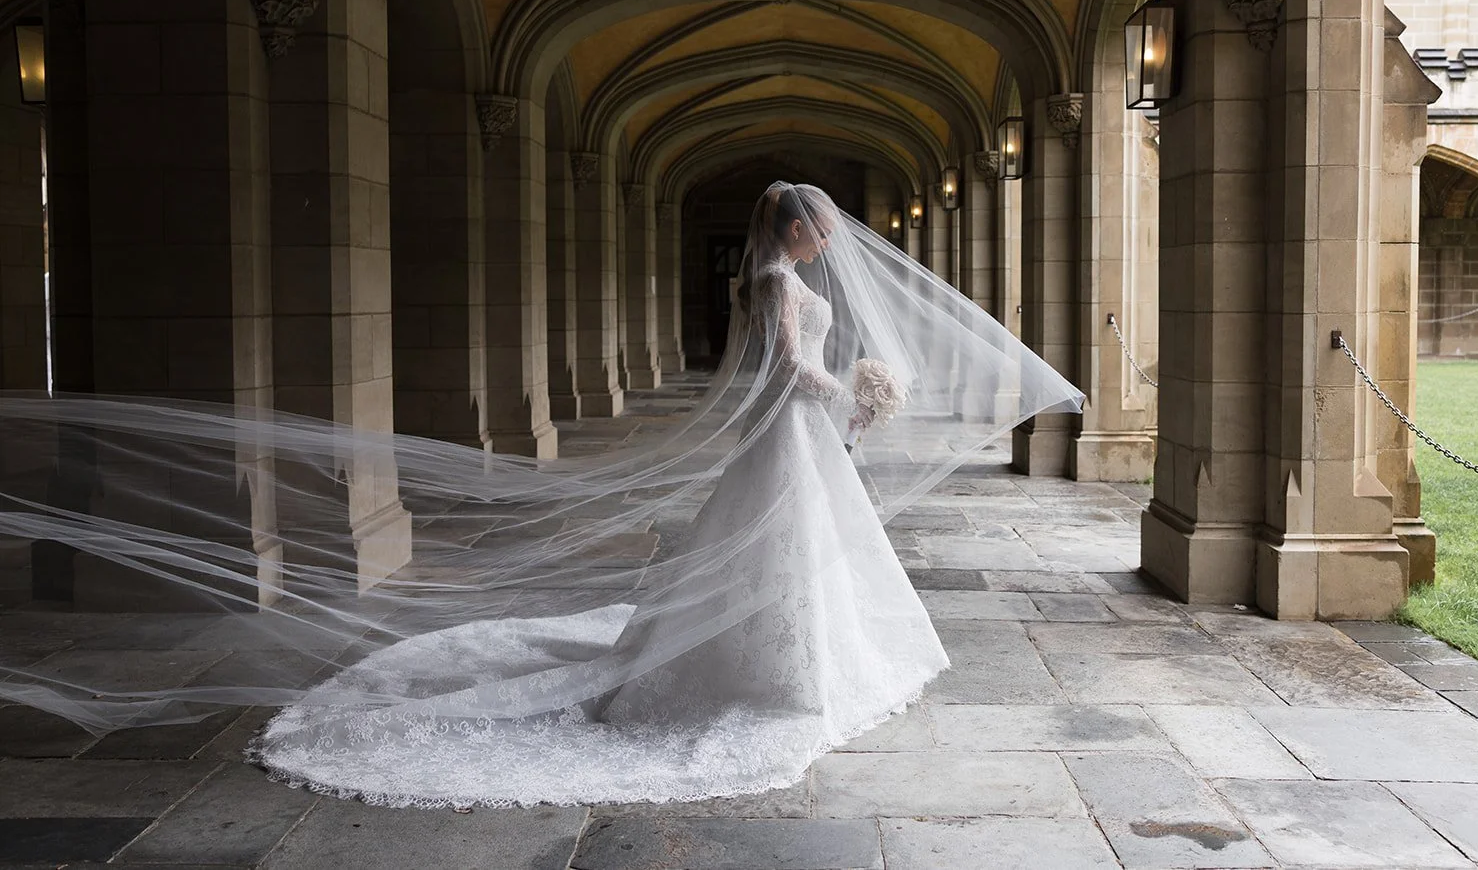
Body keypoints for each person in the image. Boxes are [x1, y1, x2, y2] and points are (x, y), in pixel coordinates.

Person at [0, 182, 1084, 808]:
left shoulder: (765, 281)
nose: (832, 236)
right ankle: (776, 677)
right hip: (792, 427)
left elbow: (764, 369)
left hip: (787, 439)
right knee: (782, 548)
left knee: (776, 546)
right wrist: (853, 387)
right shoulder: (780, 287)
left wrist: (843, 392)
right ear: (795, 230)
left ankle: (759, 660)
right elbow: (780, 371)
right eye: (821, 226)